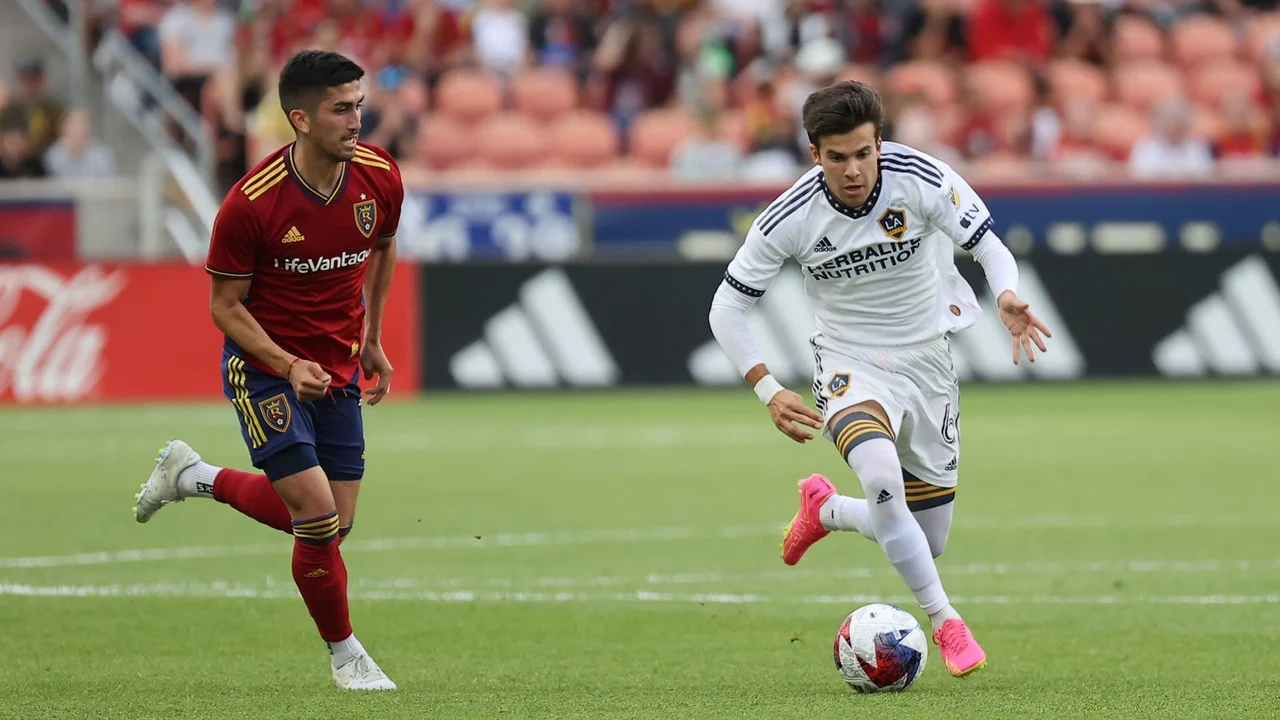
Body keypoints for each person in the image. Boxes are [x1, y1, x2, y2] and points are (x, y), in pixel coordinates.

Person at [707, 81, 1051, 679]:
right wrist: (767, 386)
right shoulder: (788, 218)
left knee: (927, 536)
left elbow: (990, 247)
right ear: (815, 154)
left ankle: (828, 510)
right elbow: (726, 308)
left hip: (929, 365)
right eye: (837, 157)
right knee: (882, 478)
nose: (854, 170)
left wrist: (1007, 294)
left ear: (879, 143)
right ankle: (945, 621)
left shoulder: (921, 178)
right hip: (849, 364)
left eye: (863, 153)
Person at [132, 50, 403, 691]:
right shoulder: (251, 204)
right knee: (315, 517)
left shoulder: (379, 177)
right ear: (300, 119)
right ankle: (347, 657)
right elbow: (224, 306)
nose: (356, 120)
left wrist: (373, 338)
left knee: (338, 520)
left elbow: (385, 246)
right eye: (341, 109)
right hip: (264, 367)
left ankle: (193, 476)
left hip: (335, 365)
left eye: (359, 104)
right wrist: (286, 362)